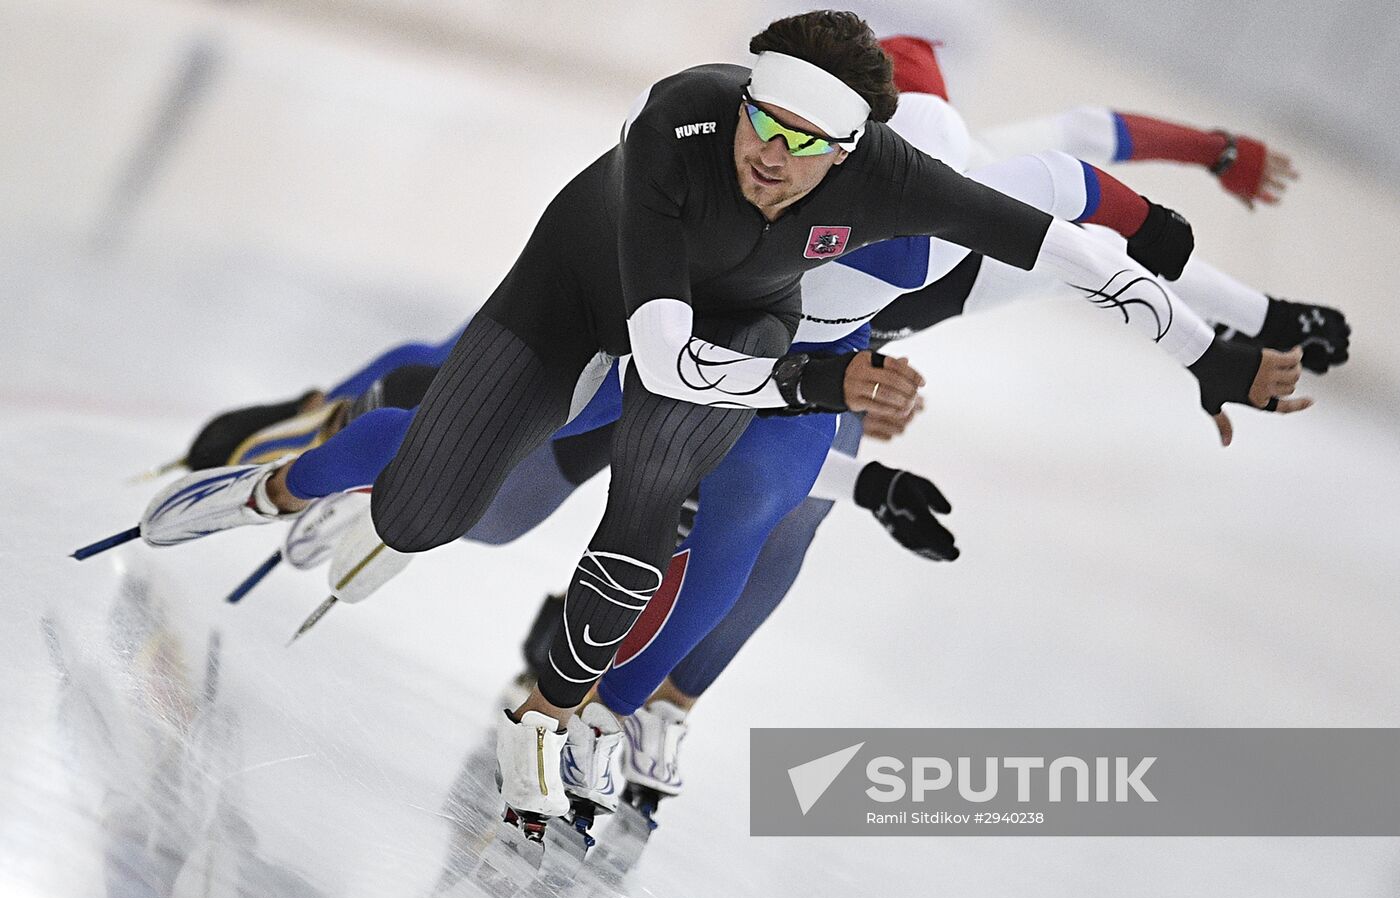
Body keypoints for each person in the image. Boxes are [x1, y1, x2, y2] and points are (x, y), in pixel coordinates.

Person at [134, 11, 1304, 840]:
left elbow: (1107, 237)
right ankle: (333, 439)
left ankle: (598, 705)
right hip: (660, 313)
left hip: (786, 356)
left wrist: (1222, 345)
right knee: (490, 501)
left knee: (767, 529)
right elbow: (659, 341)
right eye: (769, 132)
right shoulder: (712, 131)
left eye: (814, 154)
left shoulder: (979, 204)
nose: (776, 165)